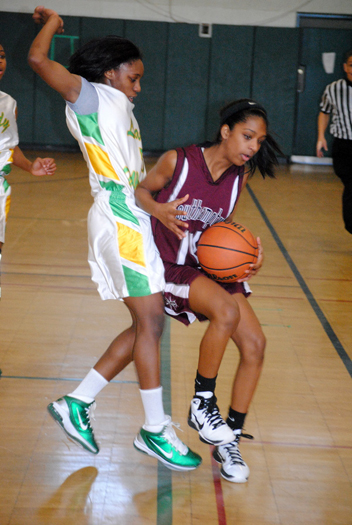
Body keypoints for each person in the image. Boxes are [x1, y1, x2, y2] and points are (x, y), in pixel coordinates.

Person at [28, 6, 201, 472]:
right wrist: (53, 22)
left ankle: (77, 403)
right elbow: (40, 61)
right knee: (150, 323)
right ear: (110, 73)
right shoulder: (91, 96)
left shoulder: (121, 108)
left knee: (149, 323)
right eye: (134, 77)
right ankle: (153, 429)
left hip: (133, 219)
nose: (138, 87)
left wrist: (162, 206)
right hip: (119, 220)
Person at [135, 99, 283, 482]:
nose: (252, 147)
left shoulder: (240, 177)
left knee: (255, 345)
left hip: (205, 267)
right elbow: (139, 192)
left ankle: (228, 441)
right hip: (170, 267)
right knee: (227, 312)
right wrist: (159, 211)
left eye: (259, 141)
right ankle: (203, 401)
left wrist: (247, 253)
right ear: (226, 131)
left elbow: (222, 232)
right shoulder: (178, 161)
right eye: (247, 136)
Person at [0, 42, 56, 256]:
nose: (0, 60)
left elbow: (9, 147)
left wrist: (30, 166)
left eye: (2, 56)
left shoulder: (8, 104)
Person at [316, 49, 352, 234]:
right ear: (345, 67)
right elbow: (324, 112)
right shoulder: (333, 88)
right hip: (343, 145)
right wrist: (321, 137)